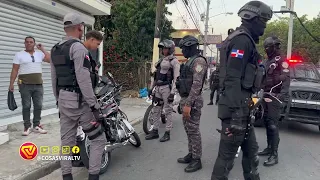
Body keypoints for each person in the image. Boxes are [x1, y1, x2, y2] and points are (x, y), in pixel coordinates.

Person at [211, 1, 273, 180]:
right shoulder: (241, 40)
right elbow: (232, 78)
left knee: (252, 153)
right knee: (227, 157)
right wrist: (237, 115)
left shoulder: (246, 39)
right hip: (234, 110)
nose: (264, 25)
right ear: (251, 18)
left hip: (242, 109)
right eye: (263, 20)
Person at [50, 12, 106, 180]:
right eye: (81, 27)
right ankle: (93, 176)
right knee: (98, 139)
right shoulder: (78, 48)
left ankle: (67, 177)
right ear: (78, 27)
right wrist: (94, 105)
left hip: (63, 101)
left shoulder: (55, 49)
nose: (82, 30)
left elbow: (54, 78)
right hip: (79, 103)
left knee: (66, 142)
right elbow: (84, 80)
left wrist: (59, 100)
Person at [176, 35, 207, 173]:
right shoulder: (190, 61)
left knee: (193, 131)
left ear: (190, 47)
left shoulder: (199, 61)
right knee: (188, 129)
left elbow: (196, 85)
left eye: (183, 48)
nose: (182, 51)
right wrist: (182, 103)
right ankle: (191, 154)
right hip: (186, 99)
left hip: (192, 101)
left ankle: (197, 159)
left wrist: (188, 104)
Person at [258, 36, 290, 166]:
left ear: (274, 46)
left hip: (276, 97)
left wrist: (282, 95)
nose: (266, 50)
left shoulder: (282, 60)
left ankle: (274, 154)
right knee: (266, 121)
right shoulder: (267, 61)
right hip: (266, 95)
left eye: (267, 47)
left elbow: (286, 78)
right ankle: (269, 148)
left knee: (272, 124)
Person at [9, 36, 51, 136]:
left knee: (38, 105)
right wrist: (11, 83)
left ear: (34, 44)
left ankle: (36, 125)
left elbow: (50, 60)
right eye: (27, 42)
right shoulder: (19, 54)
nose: (29, 44)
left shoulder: (39, 54)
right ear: (24, 43)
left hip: (38, 85)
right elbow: (15, 69)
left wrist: (43, 49)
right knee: (26, 106)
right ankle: (27, 126)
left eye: (31, 42)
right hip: (24, 85)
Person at [145, 39, 180, 142]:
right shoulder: (161, 61)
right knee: (156, 109)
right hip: (158, 88)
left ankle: (167, 132)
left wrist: (172, 93)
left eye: (166, 48)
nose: (164, 50)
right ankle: (155, 131)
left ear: (170, 49)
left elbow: (176, 78)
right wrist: (151, 88)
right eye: (163, 48)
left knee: (168, 110)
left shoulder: (174, 61)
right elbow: (156, 76)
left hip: (167, 88)